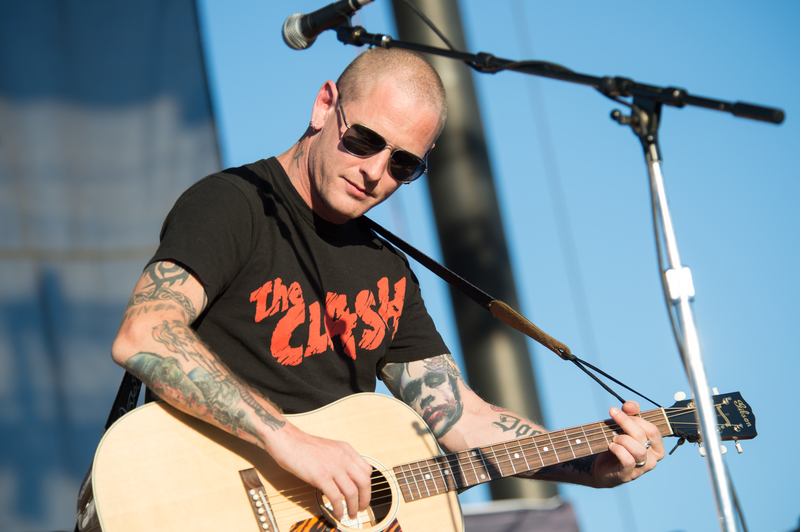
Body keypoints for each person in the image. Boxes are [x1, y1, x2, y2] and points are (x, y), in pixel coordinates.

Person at [110, 47, 664, 523]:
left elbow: (460, 418)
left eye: (403, 164)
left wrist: (591, 465)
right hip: (200, 502)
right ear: (326, 105)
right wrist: (291, 442)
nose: (375, 171)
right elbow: (146, 334)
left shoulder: (389, 274)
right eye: (364, 140)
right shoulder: (235, 203)